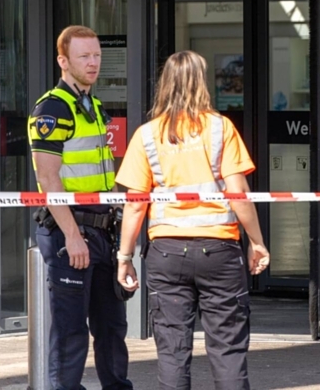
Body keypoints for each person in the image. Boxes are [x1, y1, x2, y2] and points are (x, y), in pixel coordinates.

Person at [115, 50, 270, 390]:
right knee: (228, 350)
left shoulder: (146, 135)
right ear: (202, 83)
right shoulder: (220, 128)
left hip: (166, 255)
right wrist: (257, 242)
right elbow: (238, 193)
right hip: (220, 251)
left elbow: (135, 204)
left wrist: (124, 258)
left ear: (164, 85)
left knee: (172, 352)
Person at [27, 25, 132, 390]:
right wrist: (72, 236)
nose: (93, 63)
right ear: (63, 61)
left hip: (102, 231)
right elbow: (48, 178)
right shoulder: (53, 109)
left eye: (97, 55)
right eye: (84, 56)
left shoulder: (93, 105)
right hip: (69, 232)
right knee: (72, 332)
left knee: (112, 327)